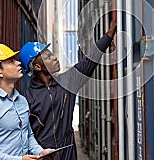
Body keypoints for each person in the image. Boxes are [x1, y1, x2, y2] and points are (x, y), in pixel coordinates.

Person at [19, 21, 117, 160]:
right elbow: (24, 136)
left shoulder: (68, 82)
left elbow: (90, 60)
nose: (55, 58)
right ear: (37, 67)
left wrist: (110, 32)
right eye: (47, 57)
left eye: (52, 54)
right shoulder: (28, 98)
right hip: (44, 156)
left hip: (68, 154)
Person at [0, 42, 55, 160]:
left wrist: (40, 151)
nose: (18, 63)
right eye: (11, 61)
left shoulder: (22, 101)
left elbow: (28, 135)